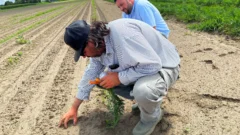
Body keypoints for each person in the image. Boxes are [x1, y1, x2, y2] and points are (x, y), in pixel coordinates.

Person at [59, 18, 180, 135]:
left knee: (143, 91)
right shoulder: (98, 47)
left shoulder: (124, 34)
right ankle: (145, 103)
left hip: (165, 65)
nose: (84, 56)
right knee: (100, 80)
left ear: (90, 42)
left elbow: (153, 65)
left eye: (83, 52)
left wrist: (118, 78)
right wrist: (74, 108)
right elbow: (90, 74)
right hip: (145, 66)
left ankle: (152, 117)